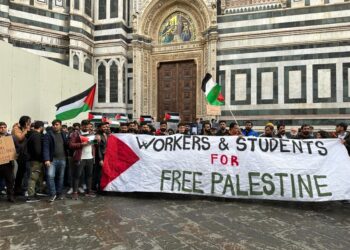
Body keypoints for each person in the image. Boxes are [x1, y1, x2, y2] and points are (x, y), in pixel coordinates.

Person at [69, 120, 97, 199]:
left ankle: (88, 191)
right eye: (84, 126)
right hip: (80, 158)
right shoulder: (75, 134)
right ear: (81, 126)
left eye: (87, 126)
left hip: (90, 157)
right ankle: (75, 192)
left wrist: (96, 141)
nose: (86, 127)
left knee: (89, 175)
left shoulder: (92, 134)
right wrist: (81, 144)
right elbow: (71, 145)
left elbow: (94, 144)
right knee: (77, 175)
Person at [42, 119, 68, 202]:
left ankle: (59, 193)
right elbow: (45, 148)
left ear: (60, 125)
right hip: (52, 160)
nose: (55, 126)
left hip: (62, 159)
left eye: (57, 124)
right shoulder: (48, 135)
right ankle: (53, 194)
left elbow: (67, 145)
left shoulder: (64, 134)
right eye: (53, 125)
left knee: (60, 177)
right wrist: (47, 159)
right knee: (50, 176)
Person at [12, 115, 31, 196]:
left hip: (26, 153)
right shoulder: (16, 129)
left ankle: (19, 189)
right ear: (24, 121)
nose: (29, 123)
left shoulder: (24, 128)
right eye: (28, 121)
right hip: (19, 154)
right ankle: (18, 189)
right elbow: (20, 138)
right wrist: (26, 129)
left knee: (23, 172)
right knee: (20, 173)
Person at [26, 121, 45, 202]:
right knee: (33, 178)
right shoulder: (36, 135)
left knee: (36, 177)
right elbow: (38, 150)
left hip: (32, 159)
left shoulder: (31, 134)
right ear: (41, 127)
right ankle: (30, 196)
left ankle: (35, 193)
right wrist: (41, 158)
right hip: (36, 160)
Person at [0, 122, 17, 202]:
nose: (2, 129)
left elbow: (17, 147)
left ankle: (10, 196)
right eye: (1, 127)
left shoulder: (11, 137)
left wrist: (15, 153)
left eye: (4, 127)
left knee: (10, 180)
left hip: (8, 163)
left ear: (6, 128)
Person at [94, 122, 108, 191]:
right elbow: (98, 148)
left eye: (106, 127)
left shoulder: (105, 134)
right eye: (103, 127)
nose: (105, 128)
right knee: (98, 173)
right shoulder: (97, 136)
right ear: (99, 128)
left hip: (105, 156)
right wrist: (100, 159)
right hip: (99, 157)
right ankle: (98, 188)